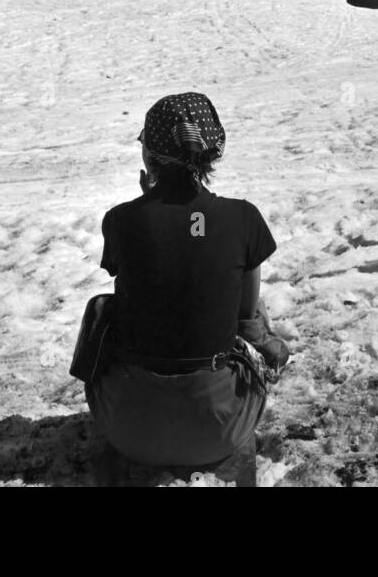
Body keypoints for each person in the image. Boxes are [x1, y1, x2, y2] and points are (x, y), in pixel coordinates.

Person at [84, 92, 289, 480]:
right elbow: (245, 319)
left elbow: (155, 275)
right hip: (219, 429)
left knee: (102, 309)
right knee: (251, 308)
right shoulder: (243, 218)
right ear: (213, 152)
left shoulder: (121, 220)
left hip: (130, 428)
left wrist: (153, 211)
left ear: (149, 156)